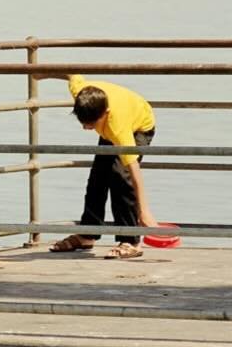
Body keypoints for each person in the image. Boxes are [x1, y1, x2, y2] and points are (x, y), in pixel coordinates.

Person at [50, 75, 163, 257]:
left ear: (106, 112)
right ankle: (88, 235)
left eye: (91, 124)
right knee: (98, 178)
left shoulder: (119, 129)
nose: (86, 129)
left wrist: (144, 211)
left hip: (139, 125)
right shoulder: (82, 94)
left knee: (120, 175)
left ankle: (130, 240)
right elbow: (71, 74)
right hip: (109, 126)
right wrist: (40, 74)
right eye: (83, 123)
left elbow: (134, 172)